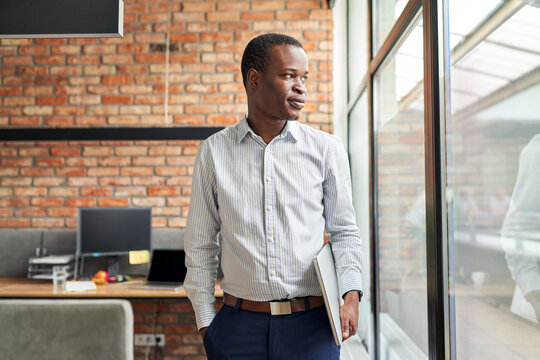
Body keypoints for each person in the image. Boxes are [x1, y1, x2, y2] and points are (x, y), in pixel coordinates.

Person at [184, 33, 364, 360]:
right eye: (289, 75)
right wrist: (208, 325)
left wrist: (351, 296)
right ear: (254, 79)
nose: (301, 87)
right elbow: (200, 244)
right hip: (238, 328)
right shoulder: (213, 152)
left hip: (313, 327)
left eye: (304, 78)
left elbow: (344, 231)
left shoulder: (326, 149)